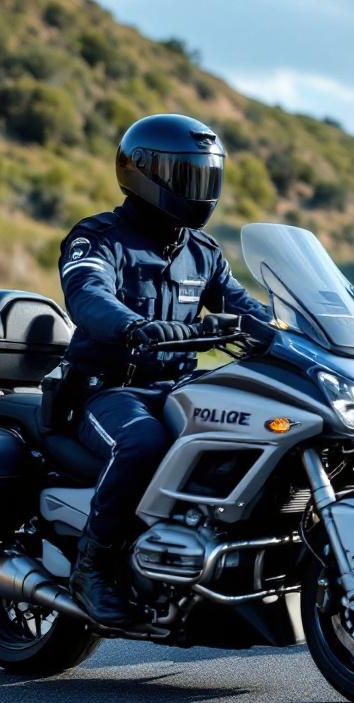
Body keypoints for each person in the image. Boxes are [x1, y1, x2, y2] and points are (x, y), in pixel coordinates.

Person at [60, 114, 270, 625]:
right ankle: (93, 567)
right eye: (187, 177)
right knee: (143, 444)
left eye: (206, 177)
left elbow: (249, 310)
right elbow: (87, 294)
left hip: (178, 387)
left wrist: (290, 331)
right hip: (106, 390)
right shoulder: (99, 238)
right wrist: (133, 326)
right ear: (146, 174)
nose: (199, 190)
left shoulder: (203, 252)